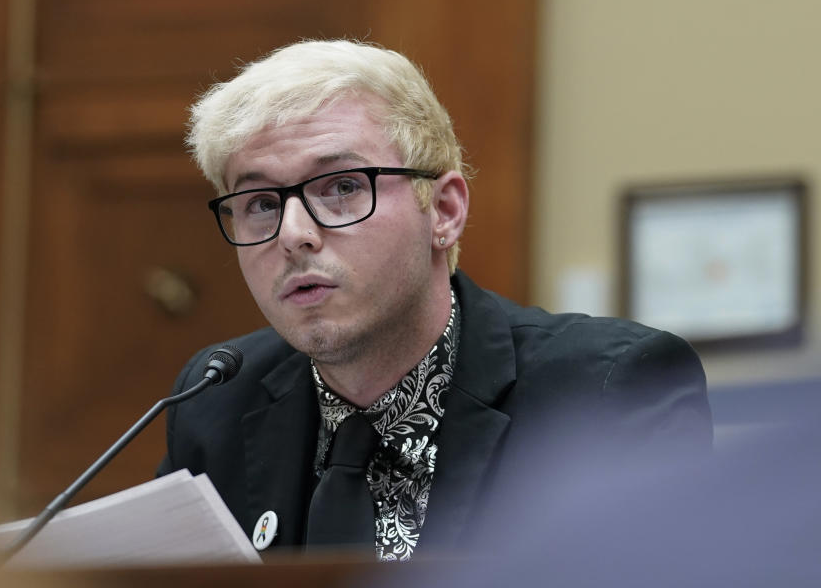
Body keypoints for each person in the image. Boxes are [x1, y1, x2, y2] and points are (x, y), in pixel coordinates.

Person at [157, 40, 712, 560]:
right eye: (259, 203)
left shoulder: (608, 393)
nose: (292, 233)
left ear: (443, 211)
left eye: (343, 186)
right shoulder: (216, 399)